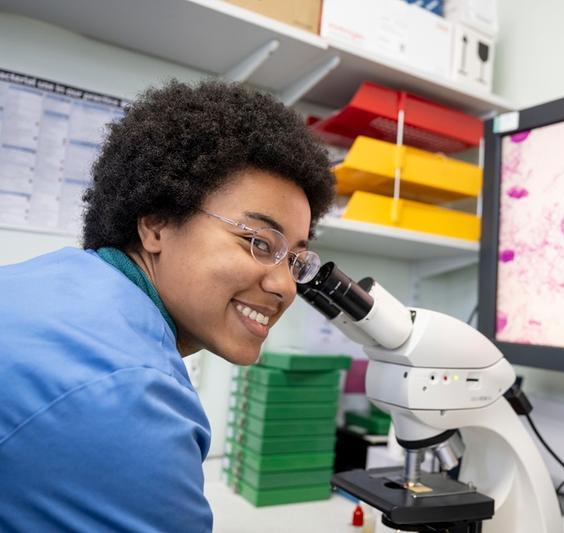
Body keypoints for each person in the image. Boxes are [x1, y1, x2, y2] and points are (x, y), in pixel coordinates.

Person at [0, 80, 335, 531]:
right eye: (257, 241)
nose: (284, 286)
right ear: (156, 223)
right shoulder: (132, 400)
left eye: (294, 259)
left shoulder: (55, 279)